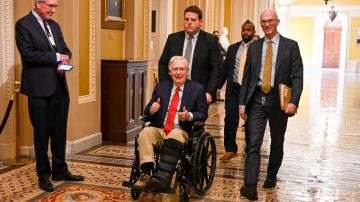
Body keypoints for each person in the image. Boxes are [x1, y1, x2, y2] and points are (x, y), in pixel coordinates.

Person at [15, 0, 84, 192]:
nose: (53, 10)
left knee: (60, 131)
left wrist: (66, 57)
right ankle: (43, 175)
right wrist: (56, 58)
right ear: (38, 3)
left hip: (60, 87)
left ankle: (60, 169)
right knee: (41, 134)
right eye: (50, 6)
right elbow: (28, 55)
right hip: (39, 89)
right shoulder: (23, 24)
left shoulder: (55, 25)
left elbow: (64, 49)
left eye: (55, 7)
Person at [239, 10, 303, 200]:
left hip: (279, 101)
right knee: (253, 142)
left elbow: (298, 77)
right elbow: (247, 78)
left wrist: (293, 101)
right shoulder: (254, 47)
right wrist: (242, 103)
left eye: (270, 21)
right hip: (257, 98)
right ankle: (250, 186)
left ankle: (271, 175)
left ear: (277, 22)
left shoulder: (291, 46)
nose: (266, 24)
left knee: (277, 141)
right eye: (263, 21)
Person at [133, 56, 208, 191]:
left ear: (187, 71)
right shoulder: (161, 88)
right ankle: (145, 173)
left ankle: (163, 176)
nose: (178, 72)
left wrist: (189, 115)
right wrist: (152, 109)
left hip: (182, 131)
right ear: (169, 71)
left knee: (175, 133)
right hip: (160, 129)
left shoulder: (198, 89)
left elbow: (203, 114)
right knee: (145, 132)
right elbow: (146, 111)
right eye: (175, 69)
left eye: (182, 69)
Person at [158, 5, 222, 104]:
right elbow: (163, 63)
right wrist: (164, 87)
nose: (189, 22)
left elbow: (216, 68)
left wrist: (210, 92)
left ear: (200, 22)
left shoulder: (210, 40)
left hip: (200, 93)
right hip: (174, 90)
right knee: (173, 118)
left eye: (193, 20)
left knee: (196, 118)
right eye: (186, 19)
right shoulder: (173, 38)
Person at [217, 20, 256, 161]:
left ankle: (249, 149)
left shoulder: (257, 48)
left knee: (250, 120)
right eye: (243, 30)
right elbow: (225, 70)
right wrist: (217, 87)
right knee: (230, 119)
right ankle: (230, 149)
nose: (246, 32)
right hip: (233, 89)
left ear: (254, 32)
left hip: (251, 91)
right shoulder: (233, 48)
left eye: (249, 30)